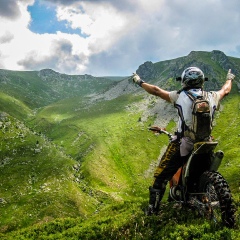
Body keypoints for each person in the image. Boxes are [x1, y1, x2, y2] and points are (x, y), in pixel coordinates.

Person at [132, 67, 235, 215]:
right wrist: (229, 78)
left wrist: (139, 81)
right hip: (206, 143)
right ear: (202, 81)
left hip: (184, 144)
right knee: (206, 169)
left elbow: (155, 90)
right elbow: (226, 90)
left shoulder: (179, 96)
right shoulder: (212, 96)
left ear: (184, 81)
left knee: (160, 176)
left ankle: (152, 210)